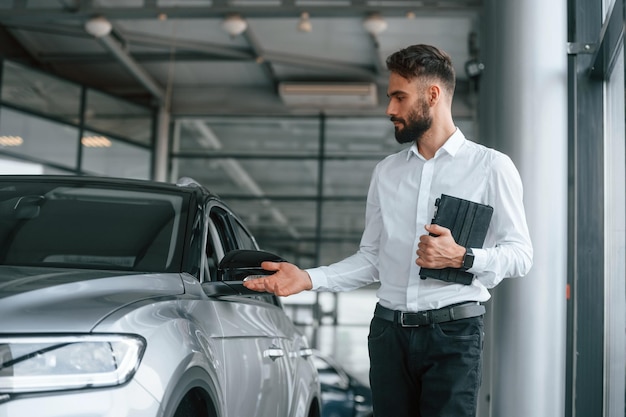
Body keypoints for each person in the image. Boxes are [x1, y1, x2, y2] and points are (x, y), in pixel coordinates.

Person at [244, 44, 533, 417]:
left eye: (399, 97)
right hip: (388, 335)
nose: (390, 110)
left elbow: (521, 255)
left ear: (433, 95)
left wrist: (463, 256)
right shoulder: (387, 172)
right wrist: (307, 279)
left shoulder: (491, 167)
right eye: (390, 98)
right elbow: (372, 259)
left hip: (453, 338)